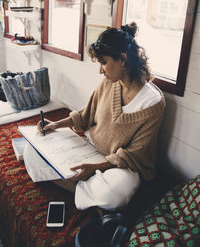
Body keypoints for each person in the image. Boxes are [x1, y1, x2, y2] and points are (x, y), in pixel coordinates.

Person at [36, 22, 165, 211]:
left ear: (122, 59)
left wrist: (97, 166)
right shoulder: (109, 82)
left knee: (115, 193)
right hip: (89, 147)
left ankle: (69, 181)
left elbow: (137, 153)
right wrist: (55, 125)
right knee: (35, 150)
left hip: (121, 166)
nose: (100, 70)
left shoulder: (153, 102)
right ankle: (85, 190)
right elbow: (85, 114)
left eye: (104, 63)